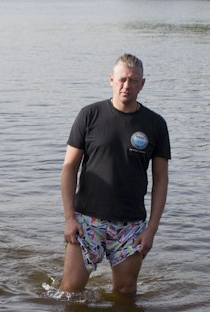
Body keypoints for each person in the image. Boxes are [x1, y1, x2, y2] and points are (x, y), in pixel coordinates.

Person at [60, 53, 170, 296]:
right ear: (111, 79)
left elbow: (161, 178)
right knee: (70, 291)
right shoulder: (89, 115)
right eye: (122, 80)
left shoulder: (156, 124)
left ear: (142, 83)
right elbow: (69, 167)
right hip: (87, 220)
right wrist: (70, 218)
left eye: (133, 80)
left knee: (125, 292)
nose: (127, 86)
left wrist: (151, 229)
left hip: (130, 226)